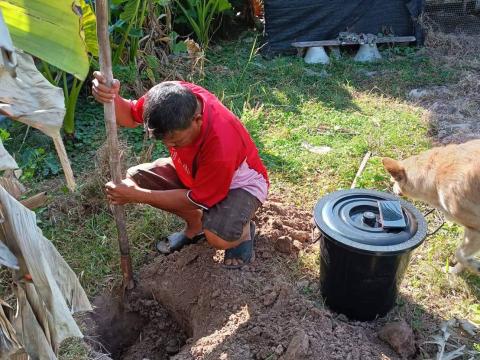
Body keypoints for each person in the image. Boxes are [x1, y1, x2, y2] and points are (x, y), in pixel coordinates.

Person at [92, 72, 269, 268]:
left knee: (218, 236)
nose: (171, 146)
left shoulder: (221, 144)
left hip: (241, 184)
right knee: (137, 178)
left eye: (176, 141)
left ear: (198, 120)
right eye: (166, 142)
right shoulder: (166, 99)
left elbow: (194, 198)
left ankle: (243, 234)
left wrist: (138, 196)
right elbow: (130, 115)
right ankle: (196, 226)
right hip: (196, 172)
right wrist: (111, 97)